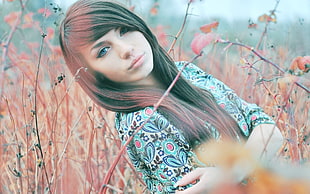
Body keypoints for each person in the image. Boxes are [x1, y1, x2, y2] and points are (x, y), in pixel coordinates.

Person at [59, 0, 284, 193]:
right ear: (93, 75)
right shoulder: (141, 122)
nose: (125, 49)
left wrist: (232, 172)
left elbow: (269, 128)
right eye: (103, 51)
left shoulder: (186, 73)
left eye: (123, 30)